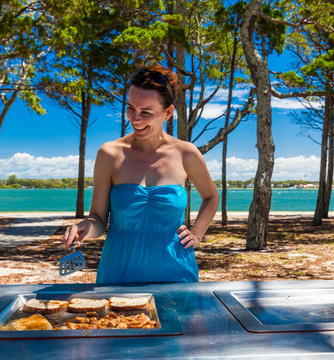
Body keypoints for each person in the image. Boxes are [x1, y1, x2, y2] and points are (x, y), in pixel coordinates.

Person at [62, 65, 219, 284]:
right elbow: (97, 219)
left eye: (146, 112)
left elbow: (211, 197)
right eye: (130, 108)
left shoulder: (186, 153)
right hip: (119, 274)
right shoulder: (109, 154)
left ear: (168, 113)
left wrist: (197, 233)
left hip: (178, 273)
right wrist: (85, 227)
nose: (135, 119)